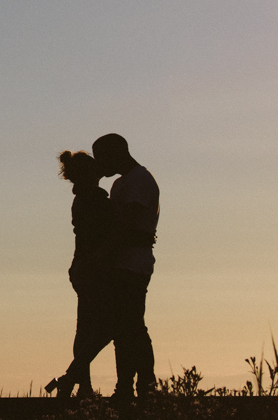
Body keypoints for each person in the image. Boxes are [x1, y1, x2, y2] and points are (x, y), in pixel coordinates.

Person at [93, 133, 159, 399]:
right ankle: (127, 385)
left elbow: (127, 224)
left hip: (134, 262)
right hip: (123, 261)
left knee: (132, 324)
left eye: (102, 158)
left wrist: (103, 252)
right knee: (123, 326)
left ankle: (144, 384)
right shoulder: (121, 184)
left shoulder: (139, 181)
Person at [46, 150, 114, 397]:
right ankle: (71, 377)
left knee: (85, 328)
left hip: (83, 268)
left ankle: (80, 385)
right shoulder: (94, 200)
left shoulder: (84, 199)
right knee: (107, 328)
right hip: (94, 268)